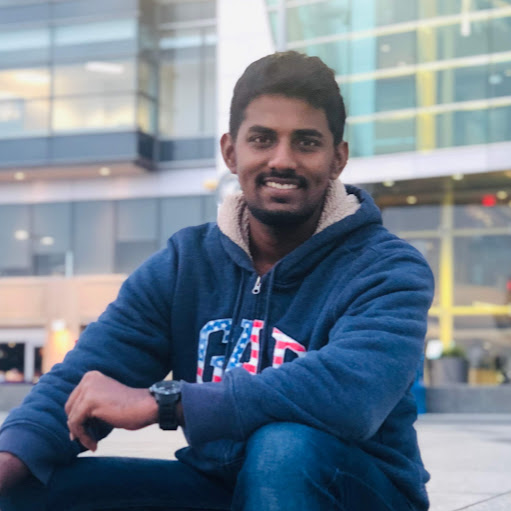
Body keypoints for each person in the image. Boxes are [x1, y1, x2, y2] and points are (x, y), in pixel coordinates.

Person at [0, 51, 434, 511]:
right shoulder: (186, 262)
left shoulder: (386, 267)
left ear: (337, 159)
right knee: (25, 489)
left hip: (353, 491)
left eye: (306, 143)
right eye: (262, 139)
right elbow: (86, 375)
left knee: (285, 447)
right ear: (230, 152)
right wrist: (12, 455)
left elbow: (350, 394)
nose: (282, 160)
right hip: (219, 487)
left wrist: (167, 402)